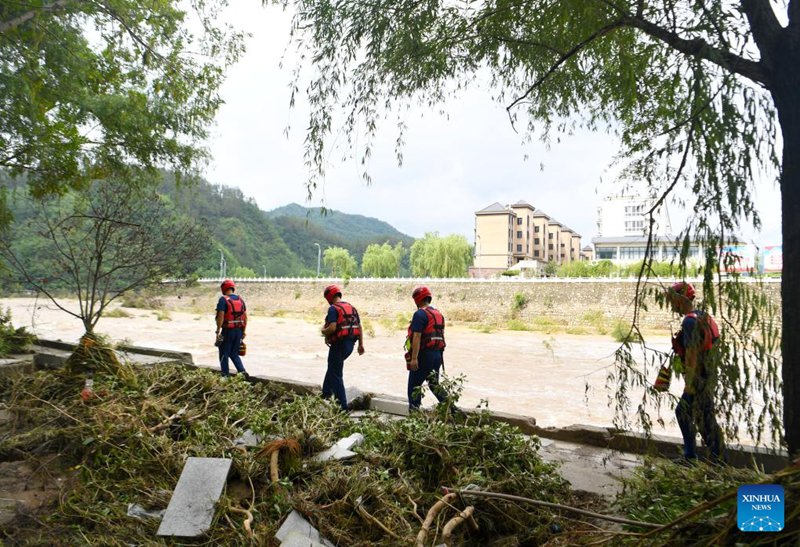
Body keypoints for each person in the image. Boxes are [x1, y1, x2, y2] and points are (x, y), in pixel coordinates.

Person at [667, 281, 724, 463]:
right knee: (704, 418)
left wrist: (689, 385)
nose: (671, 305)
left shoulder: (689, 321)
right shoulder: (703, 316)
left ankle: (698, 458)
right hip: (709, 376)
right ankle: (716, 460)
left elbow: (692, 354)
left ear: (681, 300)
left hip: (699, 379)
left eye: (673, 300)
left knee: (685, 413)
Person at [406, 286, 450, 411]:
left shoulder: (419, 314)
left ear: (417, 300)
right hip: (437, 355)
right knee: (434, 384)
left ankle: (414, 416)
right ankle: (452, 409)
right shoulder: (438, 314)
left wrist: (414, 359)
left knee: (414, 387)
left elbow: (417, 337)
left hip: (424, 355)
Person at [320, 284, 364, 410]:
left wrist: (323, 331)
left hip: (338, 345)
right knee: (333, 367)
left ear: (329, 297)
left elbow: (332, 327)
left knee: (336, 374)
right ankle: (326, 392)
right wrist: (361, 345)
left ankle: (342, 407)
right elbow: (359, 327)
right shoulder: (352, 307)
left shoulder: (333, 309)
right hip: (350, 345)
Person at [215, 279, 249, 379]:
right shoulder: (240, 299)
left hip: (228, 331)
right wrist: (243, 331)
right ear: (232, 288)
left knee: (223, 353)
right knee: (234, 354)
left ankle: (225, 376)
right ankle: (242, 372)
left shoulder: (223, 300)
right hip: (238, 331)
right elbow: (245, 317)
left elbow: (221, 316)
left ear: (223, 289)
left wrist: (217, 331)